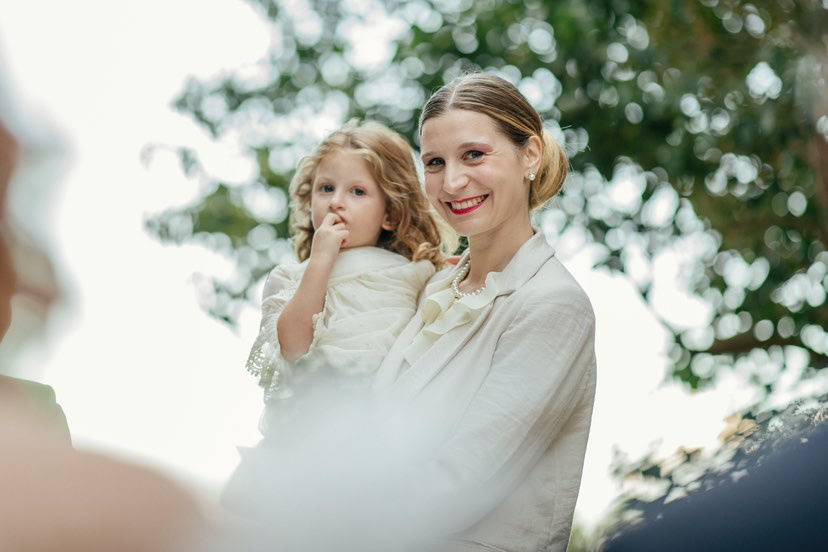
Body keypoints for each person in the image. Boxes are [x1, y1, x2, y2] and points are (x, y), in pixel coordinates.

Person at [372, 73, 598, 552]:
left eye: (474, 154)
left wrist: (315, 513)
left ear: (530, 155)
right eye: (435, 162)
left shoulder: (552, 303)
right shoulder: (437, 288)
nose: (452, 182)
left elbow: (459, 485)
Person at [222, 119, 445, 517]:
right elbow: (293, 346)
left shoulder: (414, 274)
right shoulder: (290, 278)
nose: (336, 202)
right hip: (301, 446)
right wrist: (320, 261)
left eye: (357, 191)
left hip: (376, 452)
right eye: (326, 189)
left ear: (391, 214)